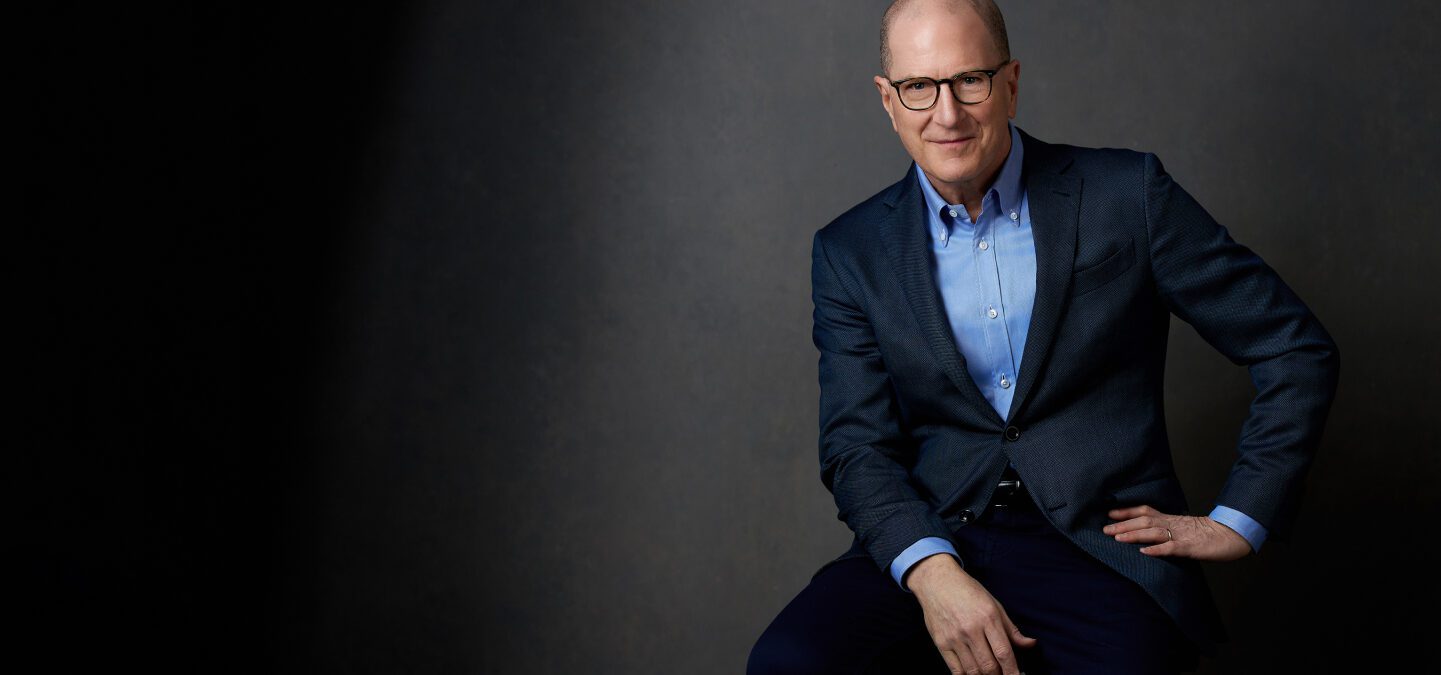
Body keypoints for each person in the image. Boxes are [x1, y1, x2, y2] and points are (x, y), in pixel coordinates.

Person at [746, 1, 1340, 673]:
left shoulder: (1127, 194)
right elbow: (857, 447)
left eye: (969, 80)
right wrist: (932, 573)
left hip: (1099, 544)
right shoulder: (849, 252)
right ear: (888, 99)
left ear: (1010, 83)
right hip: (936, 530)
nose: (946, 113)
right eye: (918, 87)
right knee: (788, 662)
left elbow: (1294, 348)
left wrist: (1240, 517)